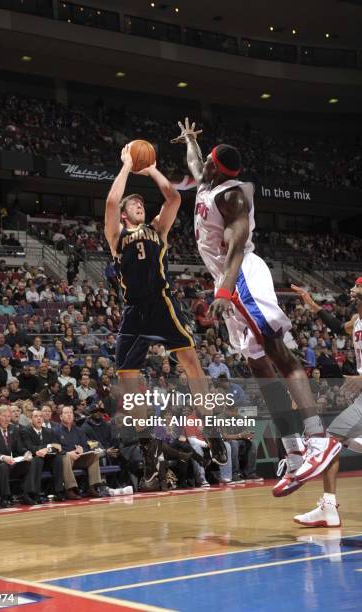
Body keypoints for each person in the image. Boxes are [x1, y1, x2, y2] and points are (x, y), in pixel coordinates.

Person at [172, 117, 341, 495]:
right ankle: (295, 452)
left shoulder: (232, 196)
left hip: (242, 273)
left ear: (219, 167)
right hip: (225, 280)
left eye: (209, 160)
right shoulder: (206, 179)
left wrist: (224, 292)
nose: (205, 165)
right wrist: (189, 140)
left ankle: (318, 438)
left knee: (276, 351)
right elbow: (194, 163)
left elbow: (234, 250)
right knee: (260, 368)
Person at [104, 144, 227, 465]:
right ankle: (149, 445)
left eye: (141, 203)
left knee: (191, 363)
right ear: (124, 215)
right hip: (133, 311)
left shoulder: (157, 229)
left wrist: (151, 170)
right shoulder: (116, 235)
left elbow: (173, 199)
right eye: (133, 204)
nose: (138, 205)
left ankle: (211, 427)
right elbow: (111, 201)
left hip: (161, 303)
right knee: (126, 374)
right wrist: (127, 166)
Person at [290, 281, 362, 527]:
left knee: (329, 441)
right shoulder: (355, 320)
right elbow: (337, 326)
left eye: (358, 285)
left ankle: (329, 508)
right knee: (332, 441)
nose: (352, 288)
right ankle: (328, 508)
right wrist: (311, 304)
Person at [0, 405, 37, 506]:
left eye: (8, 416)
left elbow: (19, 447)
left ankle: (26, 494)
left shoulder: (13, 429)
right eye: (4, 416)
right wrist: (2, 457)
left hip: (13, 462)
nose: (7, 419)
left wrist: (26, 453)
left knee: (30, 462)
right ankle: (4, 497)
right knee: (3, 466)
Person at [20, 409, 65, 502]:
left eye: (40, 416)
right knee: (38, 460)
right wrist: (48, 446)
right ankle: (36, 493)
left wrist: (47, 449)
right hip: (34, 460)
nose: (39, 418)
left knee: (58, 458)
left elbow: (57, 447)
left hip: (48, 460)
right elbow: (30, 447)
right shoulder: (25, 431)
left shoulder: (48, 431)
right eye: (36, 416)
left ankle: (58, 491)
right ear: (30, 419)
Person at [58, 406, 102, 499]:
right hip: (66, 460)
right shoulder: (55, 431)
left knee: (94, 455)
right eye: (66, 413)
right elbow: (56, 449)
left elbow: (86, 447)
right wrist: (68, 453)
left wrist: (82, 449)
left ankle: (92, 487)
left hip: (79, 458)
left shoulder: (79, 430)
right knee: (66, 457)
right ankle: (70, 489)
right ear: (61, 417)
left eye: (71, 413)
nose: (69, 415)